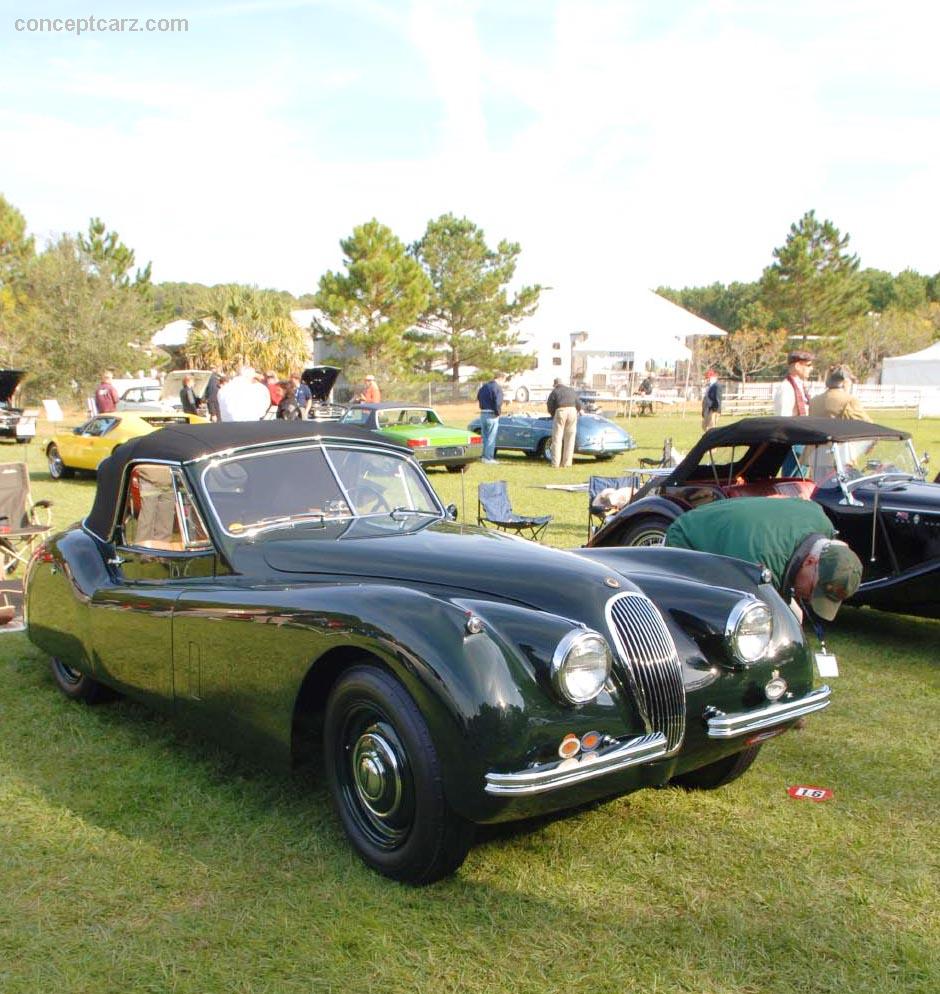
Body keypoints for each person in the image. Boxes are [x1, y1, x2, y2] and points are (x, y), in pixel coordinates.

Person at [664, 496, 863, 622]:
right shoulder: (761, 563)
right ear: (810, 562)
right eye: (813, 589)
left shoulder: (822, 524)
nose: (810, 599)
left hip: (735, 531)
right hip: (689, 537)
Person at [546, 378, 582, 469]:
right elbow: (579, 404)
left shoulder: (555, 391)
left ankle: (555, 463)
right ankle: (567, 463)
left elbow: (550, 405)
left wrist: (553, 414)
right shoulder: (571, 390)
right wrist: (576, 411)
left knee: (557, 439)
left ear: (556, 385)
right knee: (570, 438)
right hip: (573, 411)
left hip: (561, 411)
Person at [773, 349, 814, 417]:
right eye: (808, 365)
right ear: (797, 366)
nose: (812, 368)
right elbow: (783, 420)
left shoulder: (801, 386)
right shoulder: (786, 389)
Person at [476, 373, 505, 464]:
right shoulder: (497, 388)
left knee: (484, 436)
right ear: (501, 378)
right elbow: (498, 402)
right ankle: (488, 458)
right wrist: (498, 413)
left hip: (483, 413)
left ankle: (483, 456)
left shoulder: (484, 387)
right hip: (492, 414)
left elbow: (478, 397)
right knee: (491, 437)